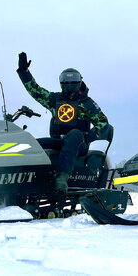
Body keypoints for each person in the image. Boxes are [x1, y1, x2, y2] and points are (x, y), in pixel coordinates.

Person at [16, 52, 110, 193]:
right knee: (32, 143)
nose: (69, 83)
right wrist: (24, 72)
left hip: (78, 144)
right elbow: (36, 91)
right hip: (58, 141)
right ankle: (24, 178)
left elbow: (103, 123)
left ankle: (62, 178)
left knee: (74, 134)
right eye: (66, 80)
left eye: (73, 80)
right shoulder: (54, 100)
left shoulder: (87, 103)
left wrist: (88, 137)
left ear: (80, 81)